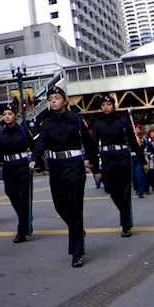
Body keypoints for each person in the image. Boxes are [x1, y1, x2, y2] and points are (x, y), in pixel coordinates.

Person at [33, 86, 98, 268]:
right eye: (50, 99)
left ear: (65, 100)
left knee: (75, 206)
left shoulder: (76, 120)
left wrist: (96, 167)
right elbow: (41, 143)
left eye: (57, 98)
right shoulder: (46, 123)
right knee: (60, 205)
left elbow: (89, 145)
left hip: (74, 166)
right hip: (56, 167)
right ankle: (77, 229)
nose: (53, 101)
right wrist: (34, 159)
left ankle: (76, 252)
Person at [93, 97, 141, 237]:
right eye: (103, 105)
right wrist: (96, 168)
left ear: (114, 106)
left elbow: (133, 141)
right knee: (112, 190)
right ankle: (125, 211)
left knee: (125, 190)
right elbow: (94, 145)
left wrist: (143, 161)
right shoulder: (98, 123)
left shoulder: (122, 121)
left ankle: (126, 225)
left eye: (109, 104)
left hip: (122, 156)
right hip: (107, 158)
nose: (106, 107)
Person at [0, 104, 35, 242]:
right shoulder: (0, 134)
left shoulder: (23, 131)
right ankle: (25, 217)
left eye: (9, 114)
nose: (7, 116)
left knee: (23, 196)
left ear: (15, 116)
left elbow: (34, 147)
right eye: (5, 114)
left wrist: (34, 161)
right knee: (11, 194)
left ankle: (21, 230)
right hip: (8, 166)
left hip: (22, 165)